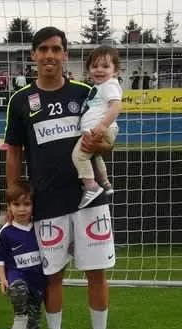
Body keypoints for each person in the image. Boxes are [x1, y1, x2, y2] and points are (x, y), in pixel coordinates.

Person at [5, 26, 119, 329]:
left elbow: (107, 144)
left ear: (65, 55)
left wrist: (103, 143)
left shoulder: (87, 92)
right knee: (53, 275)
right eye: (43, 49)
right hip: (47, 202)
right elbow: (14, 152)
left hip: (89, 200)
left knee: (96, 272)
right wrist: (13, 198)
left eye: (56, 49)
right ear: (33, 55)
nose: (49, 55)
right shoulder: (21, 100)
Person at [0, 180, 46, 329]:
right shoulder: (6, 232)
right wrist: (2, 279)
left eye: (27, 204)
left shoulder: (39, 227)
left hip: (37, 279)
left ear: (33, 205)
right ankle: (20, 316)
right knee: (18, 289)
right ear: (9, 207)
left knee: (34, 321)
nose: (22, 209)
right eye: (16, 204)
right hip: (17, 275)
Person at [72, 46, 122, 208]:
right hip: (97, 129)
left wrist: (102, 125)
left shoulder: (109, 85)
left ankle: (91, 186)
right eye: (94, 66)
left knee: (79, 156)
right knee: (96, 156)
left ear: (115, 71)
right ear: (88, 70)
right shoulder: (98, 87)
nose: (99, 70)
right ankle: (105, 183)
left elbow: (116, 106)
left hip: (99, 130)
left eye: (105, 66)